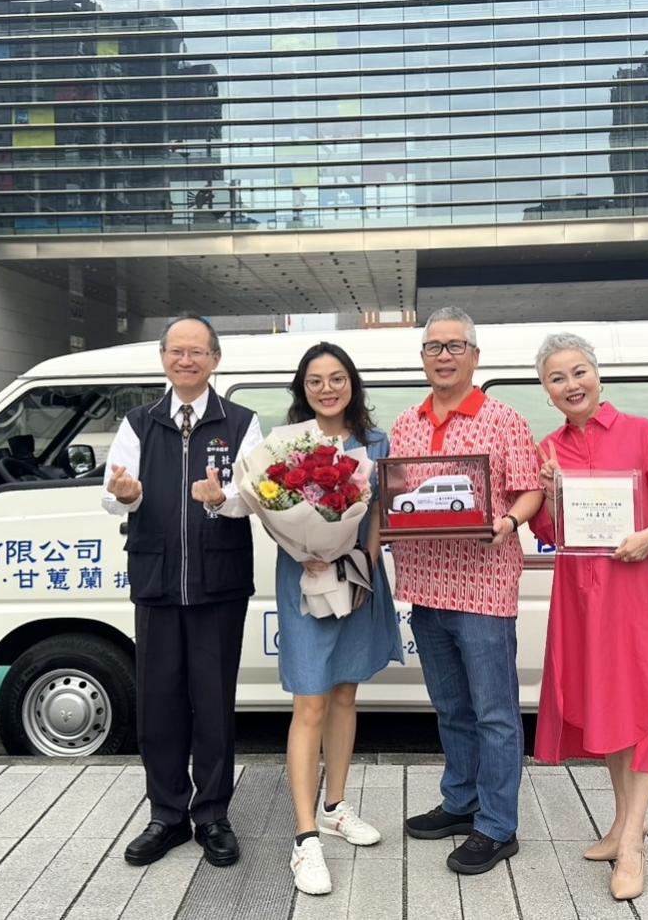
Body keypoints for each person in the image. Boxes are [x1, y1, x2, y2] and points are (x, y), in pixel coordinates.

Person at [525, 332, 648, 902]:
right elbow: (548, 533)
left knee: (643, 709)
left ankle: (634, 847)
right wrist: (551, 495)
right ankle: (624, 824)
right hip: (578, 601)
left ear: (597, 376)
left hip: (634, 597)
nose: (571, 385)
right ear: (546, 391)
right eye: (557, 378)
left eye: (579, 372)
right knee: (607, 709)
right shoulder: (549, 450)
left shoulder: (641, 433)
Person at [100, 314, 264, 869]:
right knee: (159, 704)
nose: (186, 360)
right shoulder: (139, 423)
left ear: (215, 360)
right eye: (177, 351)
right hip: (157, 582)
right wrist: (127, 494)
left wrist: (221, 499)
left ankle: (212, 815)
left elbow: (254, 496)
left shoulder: (241, 422)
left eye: (197, 352)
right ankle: (166, 815)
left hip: (219, 584)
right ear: (164, 359)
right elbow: (113, 494)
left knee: (213, 703)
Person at [391, 306, 542, 875]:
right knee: (451, 708)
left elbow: (529, 490)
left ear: (475, 357)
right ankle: (461, 802)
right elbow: (396, 497)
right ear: (423, 358)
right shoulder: (406, 423)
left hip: (483, 589)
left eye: (455, 346)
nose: (444, 356)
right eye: (434, 347)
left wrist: (508, 521)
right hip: (425, 588)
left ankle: (498, 826)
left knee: (495, 713)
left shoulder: (504, 420)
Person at [277, 342, 403, 896]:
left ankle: (335, 806)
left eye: (336, 378)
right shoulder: (289, 443)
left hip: (356, 579)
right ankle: (305, 839)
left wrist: (363, 565)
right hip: (305, 581)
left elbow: (377, 516)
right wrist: (306, 549)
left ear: (353, 383)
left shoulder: (376, 443)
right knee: (310, 702)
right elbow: (273, 509)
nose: (327, 389)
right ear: (302, 389)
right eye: (315, 381)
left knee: (346, 694)